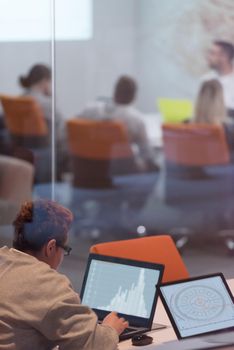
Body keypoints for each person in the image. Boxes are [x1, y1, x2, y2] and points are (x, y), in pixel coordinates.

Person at [0, 199, 128, 349]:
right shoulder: (47, 284)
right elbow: (93, 346)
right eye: (65, 249)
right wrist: (110, 328)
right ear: (51, 247)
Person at [80, 75, 158, 171]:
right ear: (133, 97)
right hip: (120, 173)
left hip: (89, 168)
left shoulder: (89, 111)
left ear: (114, 92)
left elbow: (70, 129)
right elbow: (147, 154)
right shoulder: (135, 120)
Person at [193, 79, 234, 157]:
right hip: (224, 168)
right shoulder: (229, 131)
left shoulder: (185, 128)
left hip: (193, 168)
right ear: (221, 100)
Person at [202, 40, 234, 117]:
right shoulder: (206, 79)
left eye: (212, 53)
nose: (208, 57)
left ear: (224, 57)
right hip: (208, 125)